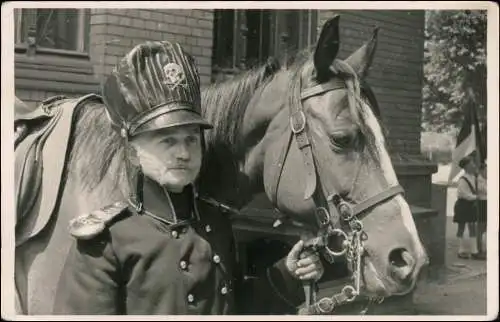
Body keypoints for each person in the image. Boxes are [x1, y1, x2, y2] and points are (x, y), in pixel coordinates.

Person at [52, 40, 324, 315]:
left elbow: (235, 309)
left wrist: (288, 274)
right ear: (133, 153)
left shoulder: (214, 226)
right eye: (167, 141)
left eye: (192, 140)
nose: (183, 153)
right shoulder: (107, 243)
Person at [453, 153, 486, 260]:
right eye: (472, 163)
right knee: (461, 227)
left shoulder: (474, 177)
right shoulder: (462, 179)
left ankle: (474, 252)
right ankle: (460, 251)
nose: (474, 165)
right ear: (467, 166)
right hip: (463, 205)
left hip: (471, 205)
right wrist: (474, 197)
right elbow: (462, 193)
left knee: (472, 227)